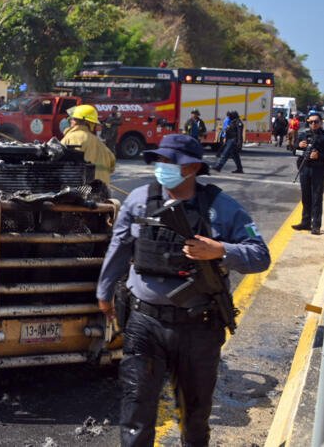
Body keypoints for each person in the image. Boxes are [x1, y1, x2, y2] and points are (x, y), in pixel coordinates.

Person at [96, 133, 270, 446]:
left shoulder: (221, 207)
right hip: (144, 324)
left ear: (191, 168)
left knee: (195, 416)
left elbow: (260, 255)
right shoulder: (139, 199)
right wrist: (104, 291)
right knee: (136, 411)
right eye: (159, 160)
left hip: (198, 328)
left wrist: (221, 250)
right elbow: (120, 246)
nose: (161, 167)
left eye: (169, 161)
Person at [61, 104, 116, 183]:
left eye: (73, 119)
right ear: (92, 124)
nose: (71, 121)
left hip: (81, 189)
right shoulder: (101, 145)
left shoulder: (69, 139)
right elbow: (112, 165)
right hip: (102, 189)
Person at [293, 111, 324, 235]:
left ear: (321, 123)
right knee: (306, 196)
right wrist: (299, 146)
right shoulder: (303, 135)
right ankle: (305, 222)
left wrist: (319, 156)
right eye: (310, 122)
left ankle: (316, 225)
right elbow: (294, 151)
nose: (313, 124)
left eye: (316, 122)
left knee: (316, 197)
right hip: (305, 168)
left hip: (319, 169)